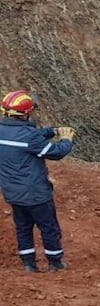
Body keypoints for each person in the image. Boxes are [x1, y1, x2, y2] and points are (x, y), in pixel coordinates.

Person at [0, 90, 75, 272]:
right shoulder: (29, 136)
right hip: (36, 193)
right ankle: (55, 262)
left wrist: (51, 131)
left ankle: (28, 263)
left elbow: (25, 138)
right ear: (25, 113)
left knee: (23, 227)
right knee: (49, 227)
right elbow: (55, 152)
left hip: (13, 192)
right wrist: (66, 139)